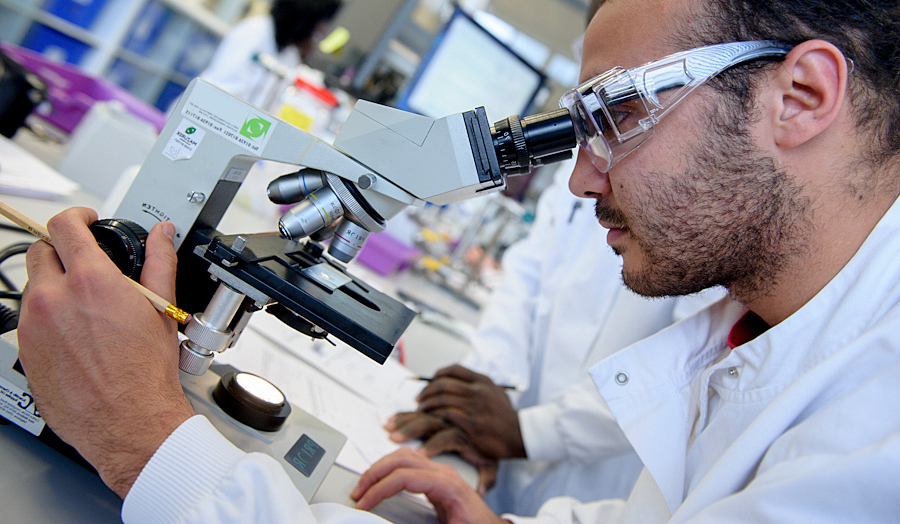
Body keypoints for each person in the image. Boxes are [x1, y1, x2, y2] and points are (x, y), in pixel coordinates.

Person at [16, 0, 900, 522]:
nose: (580, 178)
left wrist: (143, 439)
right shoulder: (773, 327)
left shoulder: (879, 436)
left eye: (618, 118)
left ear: (802, 97)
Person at [384, 157, 722, 515]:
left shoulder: (713, 204)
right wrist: (478, 402)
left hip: (598, 482)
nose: (582, 177)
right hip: (504, 453)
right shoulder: (580, 170)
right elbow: (526, 277)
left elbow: (687, 364)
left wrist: (530, 433)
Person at [199, 0, 342, 109]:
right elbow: (220, 91)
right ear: (306, 18)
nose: (321, 33)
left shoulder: (290, 54)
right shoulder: (254, 31)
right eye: (318, 29)